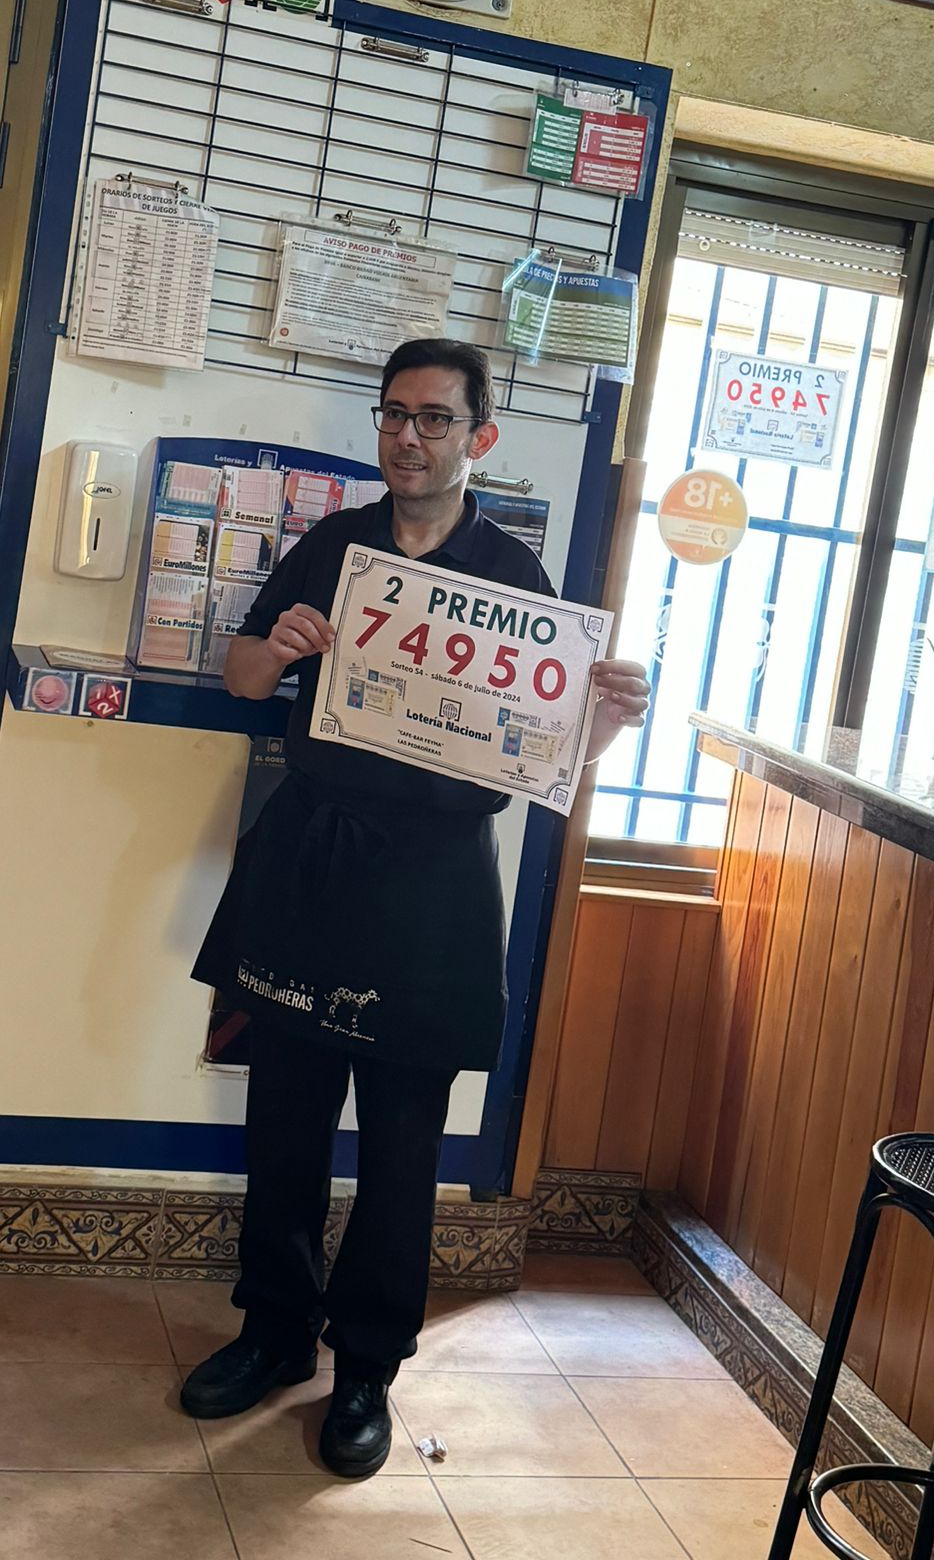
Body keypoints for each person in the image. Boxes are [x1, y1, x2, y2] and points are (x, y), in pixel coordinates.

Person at [182, 338, 650, 1477]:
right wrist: (276, 646)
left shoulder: (514, 579)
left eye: (436, 418)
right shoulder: (332, 546)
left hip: (436, 883)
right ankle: (273, 1331)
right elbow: (243, 677)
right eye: (395, 414)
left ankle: (367, 1369)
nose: (409, 437)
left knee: (402, 1142)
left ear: (478, 436)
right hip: (313, 859)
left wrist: (606, 719)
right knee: (284, 1119)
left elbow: (548, 758)